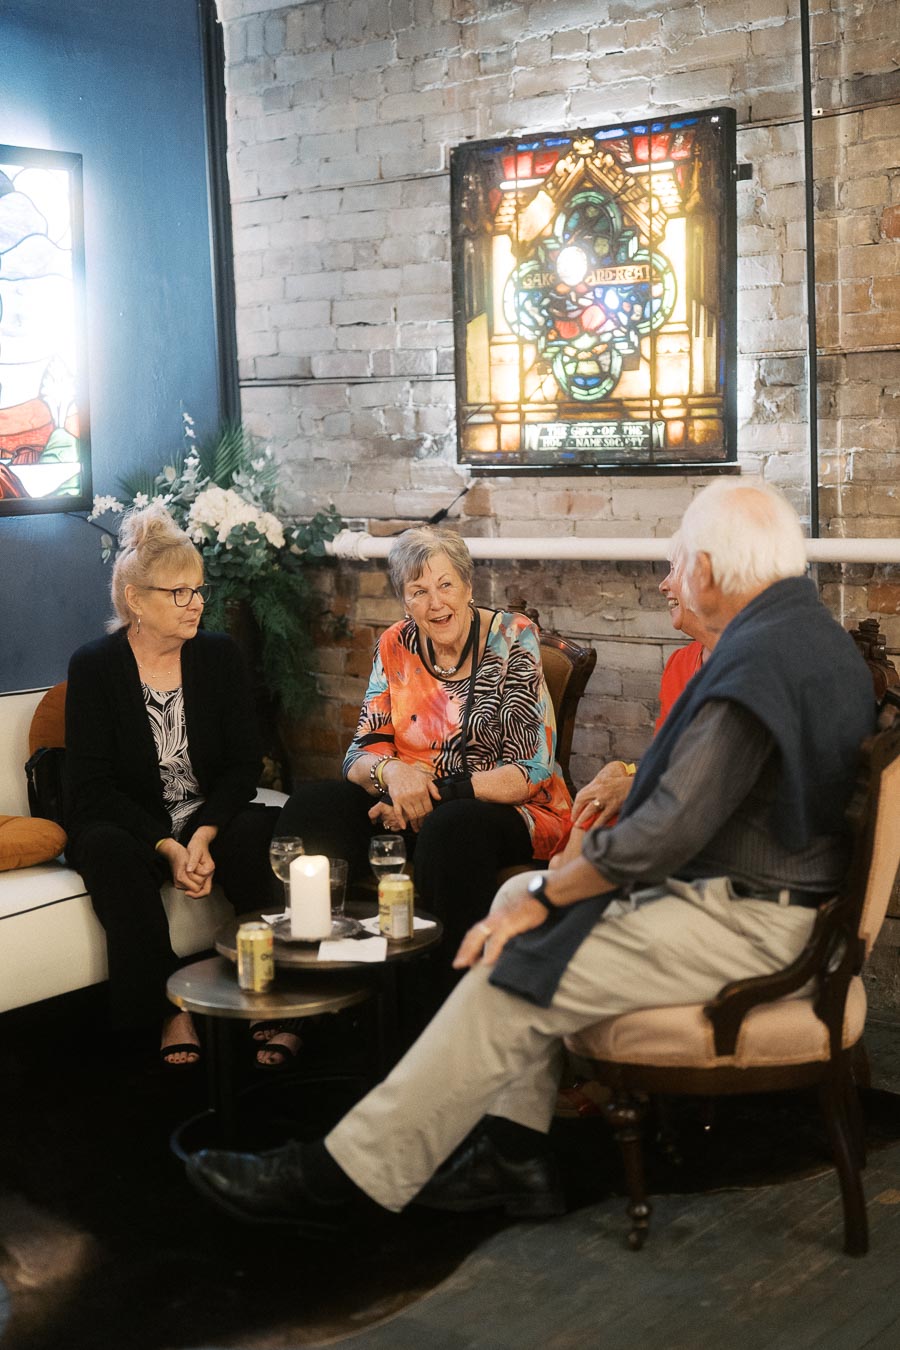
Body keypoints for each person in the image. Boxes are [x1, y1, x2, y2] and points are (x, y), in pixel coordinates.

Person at [185, 480, 876, 1225]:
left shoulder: (756, 661)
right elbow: (712, 792)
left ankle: (344, 1172)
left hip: (753, 923)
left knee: (521, 949)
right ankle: (516, 1156)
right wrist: (548, 871)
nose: (665, 579)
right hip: (768, 904)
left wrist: (551, 897)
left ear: (708, 567)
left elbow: (663, 831)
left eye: (675, 563)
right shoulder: (804, 633)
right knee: (511, 900)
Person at [275, 526, 572, 969]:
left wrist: (429, 793)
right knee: (313, 806)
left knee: (451, 827)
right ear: (404, 599)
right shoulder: (396, 643)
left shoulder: (512, 637)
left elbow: (530, 771)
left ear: (468, 586)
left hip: (501, 808)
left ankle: (440, 1000)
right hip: (406, 805)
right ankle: (315, 985)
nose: (436, 603)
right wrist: (394, 776)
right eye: (418, 591)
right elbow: (359, 754)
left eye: (446, 584)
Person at [64, 502, 282, 1067]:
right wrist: (165, 844)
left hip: (204, 812)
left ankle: (269, 998)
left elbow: (242, 765)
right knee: (106, 849)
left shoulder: (218, 656)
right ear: (135, 600)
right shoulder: (94, 666)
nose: (196, 604)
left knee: (259, 833)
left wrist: (205, 833)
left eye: (198, 590)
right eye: (178, 593)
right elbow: (90, 786)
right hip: (130, 821)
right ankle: (169, 1009)